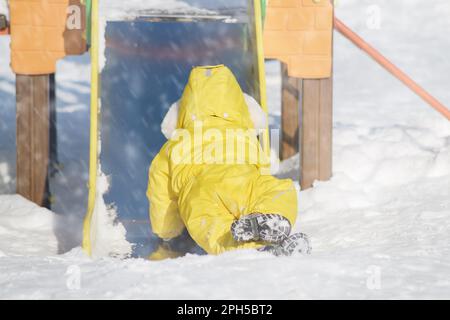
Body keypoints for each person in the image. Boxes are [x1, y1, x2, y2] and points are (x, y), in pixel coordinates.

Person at [147, 65, 310, 260]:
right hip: (244, 179)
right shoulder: (245, 135)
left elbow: (160, 191)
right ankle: (270, 218)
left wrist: (168, 231)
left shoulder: (176, 143)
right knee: (278, 191)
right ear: (240, 107)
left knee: (214, 229)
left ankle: (247, 248)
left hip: (201, 190)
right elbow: (262, 167)